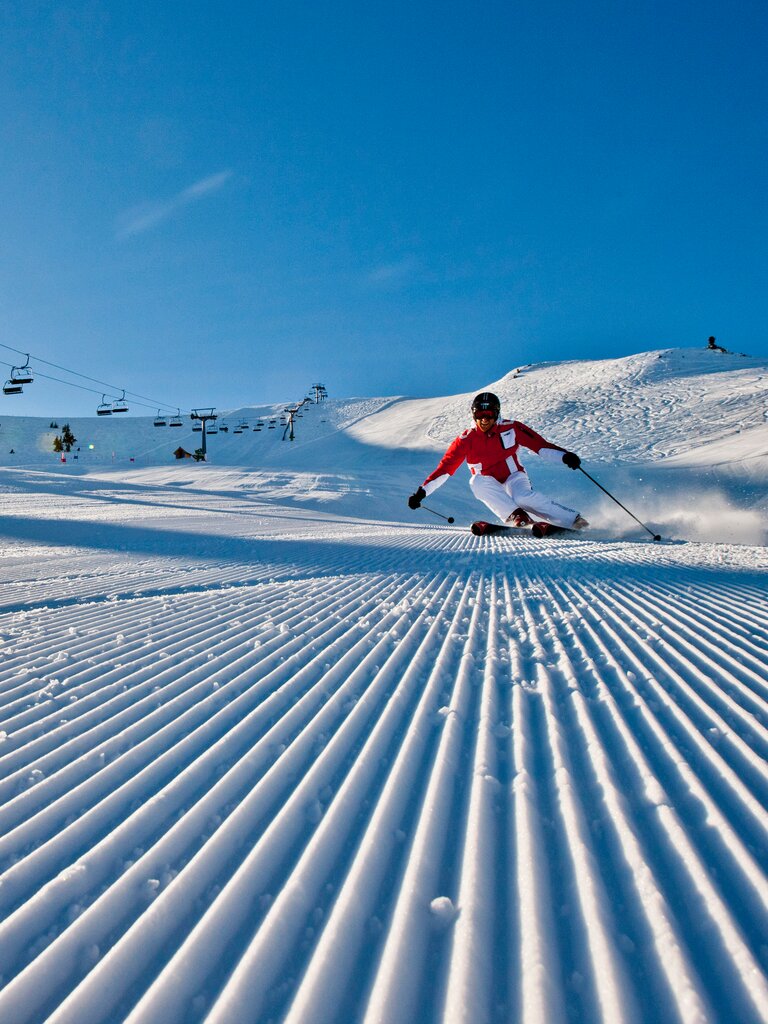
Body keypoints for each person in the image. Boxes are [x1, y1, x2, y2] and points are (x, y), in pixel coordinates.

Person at [408, 391, 589, 530]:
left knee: (523, 497)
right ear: (473, 415)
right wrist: (422, 493)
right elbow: (445, 468)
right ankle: (517, 517)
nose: (484, 420)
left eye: (489, 415)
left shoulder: (511, 428)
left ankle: (573, 520)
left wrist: (565, 456)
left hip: (514, 477)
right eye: (479, 415)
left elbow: (540, 446)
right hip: (489, 483)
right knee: (476, 481)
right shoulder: (466, 440)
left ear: (496, 414)